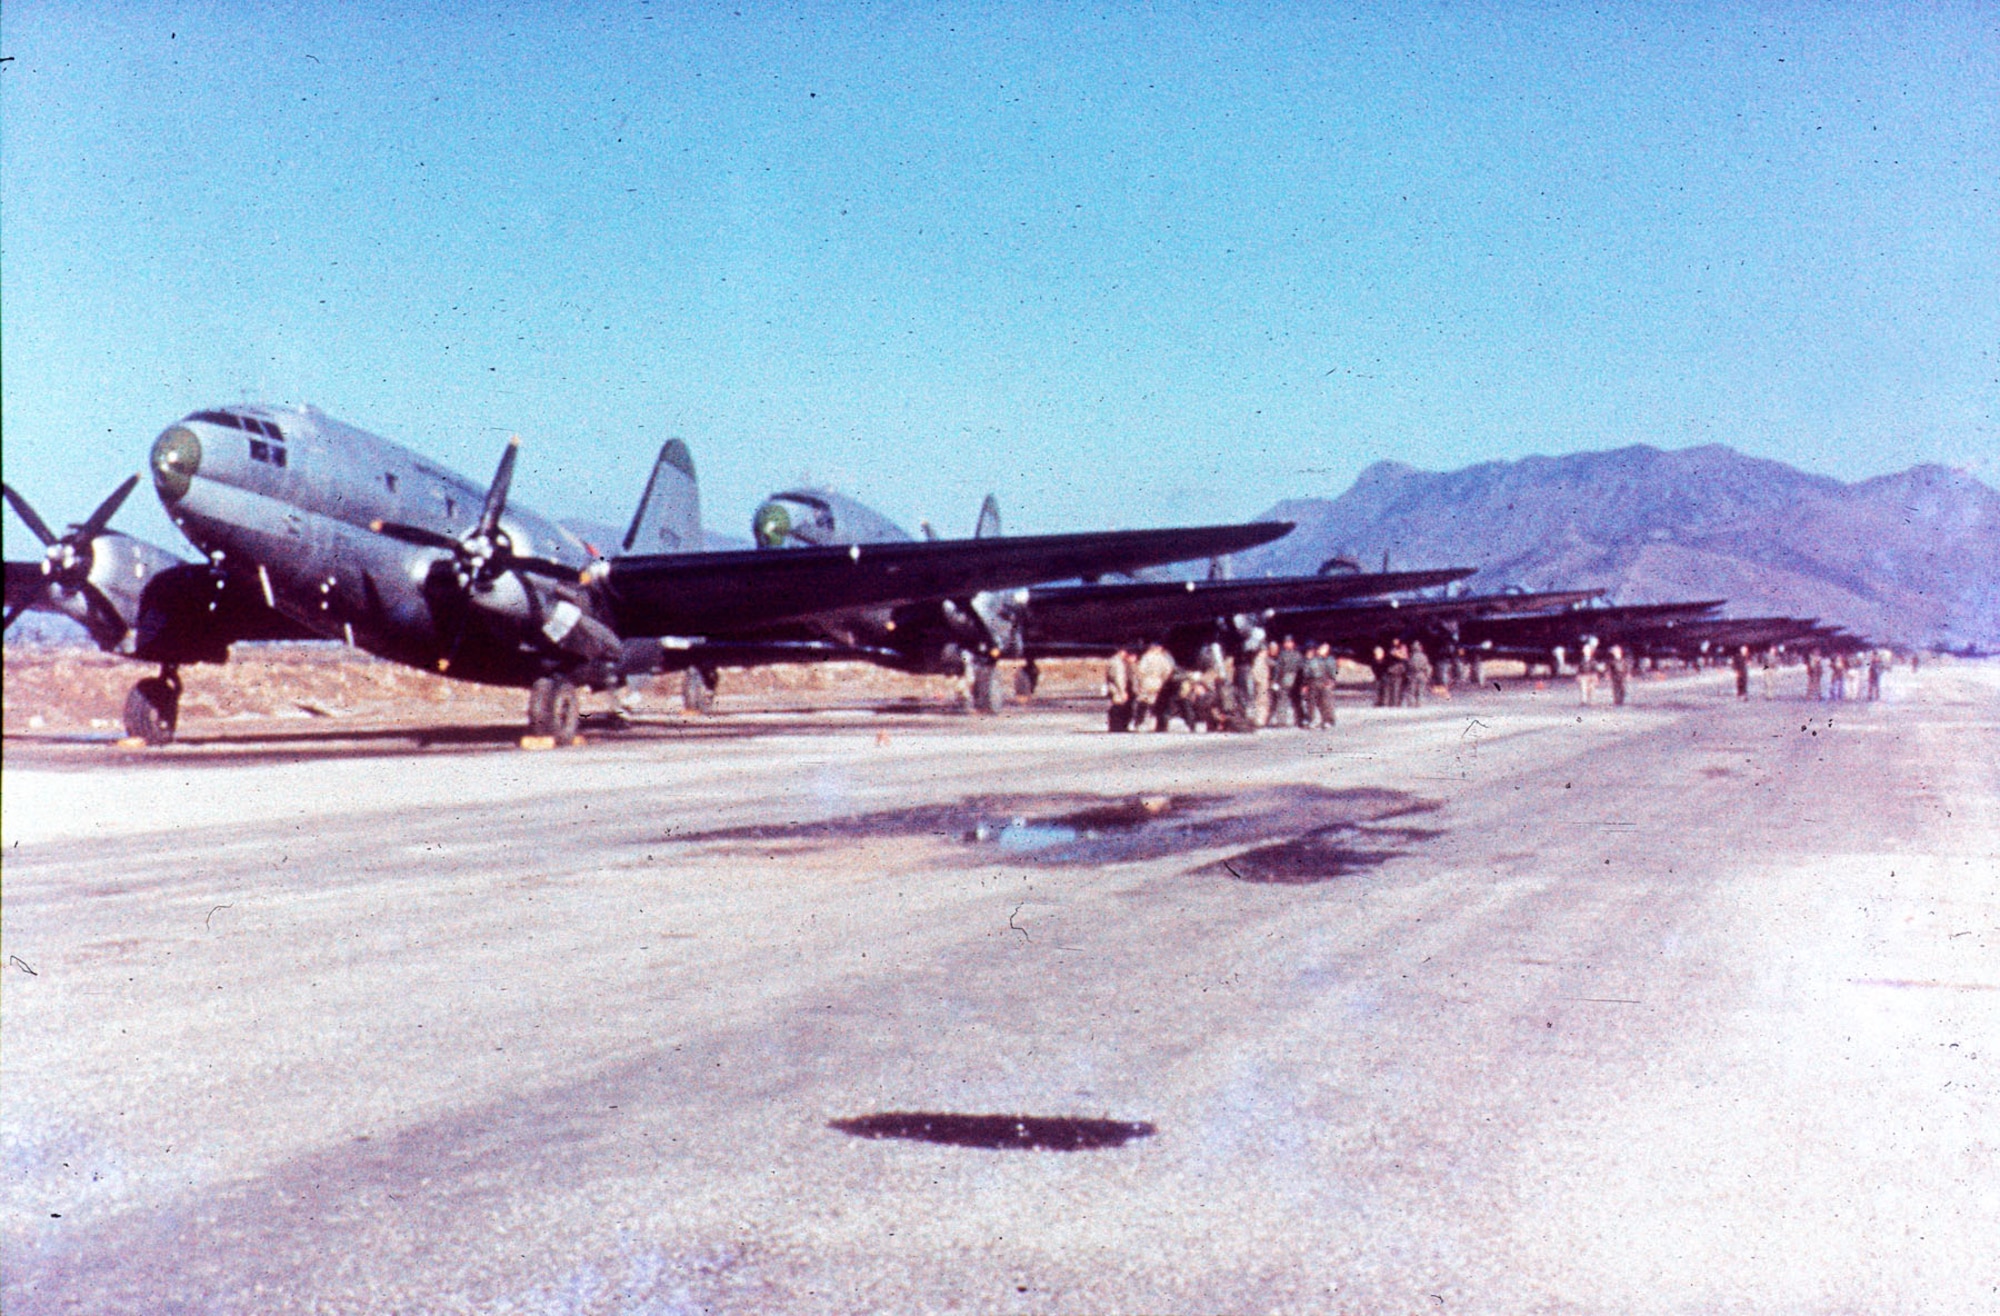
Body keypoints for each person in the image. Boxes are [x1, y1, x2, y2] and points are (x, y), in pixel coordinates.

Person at [1133, 642, 1176, 732]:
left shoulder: (1146, 657)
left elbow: (1140, 670)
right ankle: (1152, 723)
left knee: (1143, 703)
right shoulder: (1162, 658)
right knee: (1155, 704)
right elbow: (1168, 670)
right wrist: (1162, 679)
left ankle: (1139, 723)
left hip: (1147, 681)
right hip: (1158, 682)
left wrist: (1140, 682)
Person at [1272, 636, 1304, 727]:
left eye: (1289, 642)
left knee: (1296, 701)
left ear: (1293, 643)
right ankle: (1281, 721)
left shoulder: (1298, 655)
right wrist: (1275, 681)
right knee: (1282, 700)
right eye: (1286, 642)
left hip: (1296, 678)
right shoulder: (1282, 655)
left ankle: (1300, 719)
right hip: (1284, 678)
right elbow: (1278, 669)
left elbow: (1302, 669)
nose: (1288, 644)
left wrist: (1302, 682)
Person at [1104, 648, 1135, 732]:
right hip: (1117, 689)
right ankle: (1117, 727)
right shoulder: (1118, 663)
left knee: (1118, 707)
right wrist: (1122, 691)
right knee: (1118, 707)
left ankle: (1117, 726)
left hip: (1114, 688)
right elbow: (1119, 678)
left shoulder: (1114, 661)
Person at [1311, 642, 1340, 728]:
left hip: (1327, 682)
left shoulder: (1330, 660)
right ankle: (1323, 720)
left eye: (1325, 649)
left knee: (1327, 703)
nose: (1322, 650)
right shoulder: (1315, 659)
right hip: (1317, 683)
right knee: (1319, 703)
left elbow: (1334, 672)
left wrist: (1332, 681)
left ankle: (1329, 720)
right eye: (1321, 648)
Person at [1251, 641, 1275, 727]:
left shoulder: (1263, 660)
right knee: (1262, 702)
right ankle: (1260, 720)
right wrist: (1259, 681)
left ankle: (1262, 720)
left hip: (1264, 683)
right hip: (1262, 684)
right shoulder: (1259, 660)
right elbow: (1255, 672)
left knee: (1264, 701)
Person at [1407, 641, 1432, 707]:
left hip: (1414, 674)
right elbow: (1427, 666)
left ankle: (1411, 704)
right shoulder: (1424, 656)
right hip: (1422, 674)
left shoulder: (1412, 656)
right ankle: (1420, 703)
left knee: (1412, 690)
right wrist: (1427, 676)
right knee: (1420, 690)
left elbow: (1410, 665)